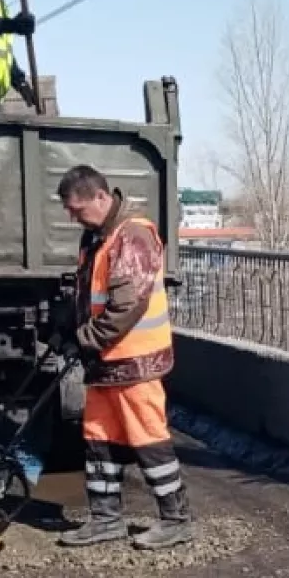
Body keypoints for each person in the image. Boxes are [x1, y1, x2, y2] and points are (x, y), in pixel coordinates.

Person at [53, 165, 193, 550]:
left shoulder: (131, 236)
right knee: (98, 438)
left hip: (135, 361)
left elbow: (123, 309)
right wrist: (69, 329)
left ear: (101, 197)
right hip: (105, 362)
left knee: (148, 439)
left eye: (77, 209)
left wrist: (84, 339)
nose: (72, 216)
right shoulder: (96, 236)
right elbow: (89, 295)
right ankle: (105, 520)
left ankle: (176, 519)